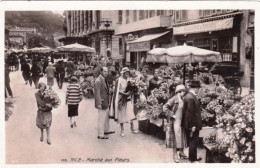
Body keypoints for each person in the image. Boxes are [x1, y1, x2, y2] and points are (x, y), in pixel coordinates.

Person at [163, 85, 188, 163]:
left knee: (182, 135)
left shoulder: (184, 99)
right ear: (179, 92)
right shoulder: (174, 99)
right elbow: (164, 107)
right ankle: (174, 154)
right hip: (175, 120)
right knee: (175, 137)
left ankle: (181, 152)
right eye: (183, 91)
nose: (184, 92)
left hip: (182, 120)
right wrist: (171, 114)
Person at [110, 67, 137, 137]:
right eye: (126, 73)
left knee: (130, 112)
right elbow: (116, 90)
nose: (127, 74)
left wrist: (131, 91)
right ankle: (122, 130)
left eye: (128, 73)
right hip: (121, 98)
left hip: (128, 98)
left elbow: (132, 88)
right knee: (121, 114)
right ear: (123, 73)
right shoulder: (118, 80)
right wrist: (124, 94)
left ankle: (132, 128)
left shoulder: (130, 80)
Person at [182, 80, 202, 163]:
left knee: (194, 140)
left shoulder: (189, 96)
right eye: (198, 88)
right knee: (193, 140)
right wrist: (192, 125)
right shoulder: (191, 97)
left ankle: (194, 158)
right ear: (196, 88)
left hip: (192, 123)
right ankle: (193, 160)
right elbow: (190, 113)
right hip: (193, 123)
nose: (198, 90)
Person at [94, 67, 115, 139]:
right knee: (101, 118)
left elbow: (105, 90)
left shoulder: (103, 79)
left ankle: (106, 130)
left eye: (107, 71)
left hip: (106, 102)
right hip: (102, 102)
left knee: (106, 117)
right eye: (105, 71)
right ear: (101, 72)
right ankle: (100, 134)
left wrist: (110, 91)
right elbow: (97, 93)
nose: (106, 73)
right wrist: (99, 103)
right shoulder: (98, 81)